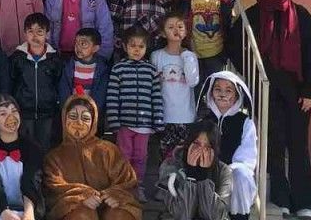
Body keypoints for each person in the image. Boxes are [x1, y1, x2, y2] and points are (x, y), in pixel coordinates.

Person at [245, 0, 311, 219]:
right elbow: (237, 46)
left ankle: (303, 202)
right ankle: (280, 200)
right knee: (273, 146)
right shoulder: (251, 16)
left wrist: (310, 91)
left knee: (298, 145)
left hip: (297, 91)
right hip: (266, 89)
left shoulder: (301, 14)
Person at [42, 94, 141, 220]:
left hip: (108, 206)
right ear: (64, 119)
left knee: (119, 215)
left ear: (93, 121)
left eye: (85, 118)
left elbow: (127, 181)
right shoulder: (54, 157)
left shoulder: (108, 150)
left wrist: (115, 195)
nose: (79, 122)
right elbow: (55, 189)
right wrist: (82, 197)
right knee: (82, 215)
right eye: (73, 117)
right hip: (76, 210)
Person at [106, 26, 163, 202]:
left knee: (140, 156)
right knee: (124, 155)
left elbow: (156, 96)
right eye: (132, 45)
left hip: (144, 124)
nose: (137, 50)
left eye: (141, 46)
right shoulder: (118, 69)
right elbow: (112, 96)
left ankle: (138, 186)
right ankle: (123, 186)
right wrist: (114, 120)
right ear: (125, 47)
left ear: (146, 48)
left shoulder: (151, 70)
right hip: (124, 123)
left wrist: (158, 119)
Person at [197, 71, 258, 220]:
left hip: (233, 174)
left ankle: (239, 216)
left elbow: (247, 157)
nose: (222, 94)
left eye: (228, 90)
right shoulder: (203, 121)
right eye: (217, 89)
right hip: (207, 170)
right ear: (211, 93)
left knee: (241, 174)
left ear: (236, 95)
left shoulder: (245, 122)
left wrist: (226, 170)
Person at [0, 95, 45, 220]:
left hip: (25, 208)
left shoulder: (32, 148)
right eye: (3, 114)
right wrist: (4, 212)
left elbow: (32, 181)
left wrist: (29, 213)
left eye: (14, 111)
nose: (11, 117)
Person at [155, 120, 232, 220]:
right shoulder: (170, 166)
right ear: (188, 144)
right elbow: (182, 215)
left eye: (208, 147)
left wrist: (203, 178)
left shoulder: (224, 171)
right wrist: (191, 177)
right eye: (196, 143)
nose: (201, 150)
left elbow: (215, 216)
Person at [10, 13, 64, 148]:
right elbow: (11, 82)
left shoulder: (54, 59)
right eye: (30, 31)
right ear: (25, 34)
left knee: (45, 147)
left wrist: (55, 102)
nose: (35, 36)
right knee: (26, 146)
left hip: (47, 112)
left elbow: (59, 83)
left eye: (39, 32)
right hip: (24, 112)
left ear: (47, 34)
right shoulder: (17, 58)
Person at [152, 14, 200, 161]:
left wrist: (186, 56)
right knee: (166, 158)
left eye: (180, 27)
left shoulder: (190, 56)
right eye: (171, 27)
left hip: (186, 116)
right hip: (164, 115)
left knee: (184, 158)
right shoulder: (156, 56)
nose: (176, 30)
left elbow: (193, 81)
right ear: (163, 33)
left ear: (186, 32)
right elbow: (154, 84)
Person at [187, 0, 233, 84]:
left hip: (216, 52)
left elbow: (229, 22)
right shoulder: (190, 2)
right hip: (195, 52)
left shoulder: (222, 3)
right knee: (197, 85)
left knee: (214, 84)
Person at [59, 28, 110, 123]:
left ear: (95, 48)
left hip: (91, 115)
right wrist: (67, 109)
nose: (78, 47)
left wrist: (92, 111)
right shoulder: (68, 65)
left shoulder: (102, 68)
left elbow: (100, 95)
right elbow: (64, 91)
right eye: (76, 43)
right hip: (71, 113)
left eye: (83, 44)